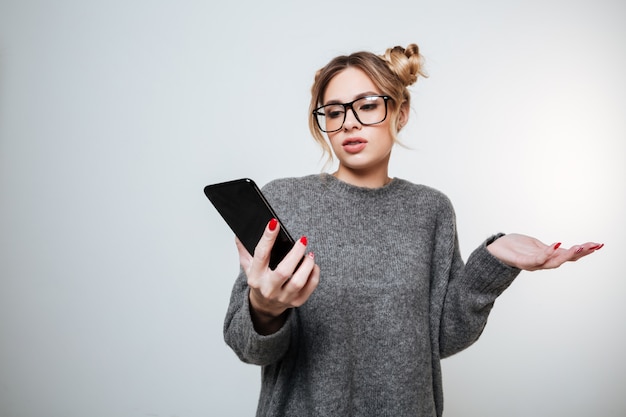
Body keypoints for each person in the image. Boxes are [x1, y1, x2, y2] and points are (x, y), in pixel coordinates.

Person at [222, 43, 603, 417]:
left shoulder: (431, 209)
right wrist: (265, 308)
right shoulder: (284, 200)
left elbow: (440, 339)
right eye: (334, 112)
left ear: (400, 112)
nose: (349, 122)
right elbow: (247, 346)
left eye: (367, 105)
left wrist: (493, 262)